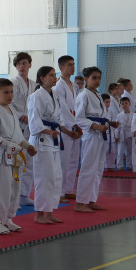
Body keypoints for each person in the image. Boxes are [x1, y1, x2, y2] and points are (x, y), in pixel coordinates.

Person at [0, 78, 37, 235]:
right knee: (1, 189)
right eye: (5, 92)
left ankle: (8, 219)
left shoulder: (13, 110)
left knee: (14, 189)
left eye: (11, 92)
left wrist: (27, 146)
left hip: (16, 156)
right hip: (2, 155)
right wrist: (11, 146)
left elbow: (18, 135)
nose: (9, 95)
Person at [27, 66, 63, 224]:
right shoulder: (36, 96)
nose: (55, 78)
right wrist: (48, 131)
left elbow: (59, 118)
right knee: (43, 177)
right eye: (51, 75)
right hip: (42, 140)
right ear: (42, 78)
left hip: (53, 138)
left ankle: (49, 211)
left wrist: (67, 130)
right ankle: (39, 214)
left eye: (55, 75)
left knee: (55, 177)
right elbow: (34, 120)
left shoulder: (55, 95)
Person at [74, 66, 110, 213]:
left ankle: (91, 200)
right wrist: (95, 126)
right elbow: (79, 118)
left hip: (101, 133)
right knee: (88, 168)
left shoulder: (97, 95)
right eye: (94, 78)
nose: (97, 80)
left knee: (98, 168)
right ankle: (80, 202)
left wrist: (109, 123)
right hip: (91, 134)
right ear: (86, 79)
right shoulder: (83, 95)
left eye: (99, 78)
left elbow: (102, 114)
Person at [52, 55, 82, 200]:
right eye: (69, 65)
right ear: (61, 67)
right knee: (63, 161)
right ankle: (58, 192)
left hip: (76, 124)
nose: (72, 67)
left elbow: (78, 106)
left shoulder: (74, 85)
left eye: (73, 64)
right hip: (65, 126)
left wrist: (79, 123)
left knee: (73, 160)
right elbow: (63, 108)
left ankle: (68, 189)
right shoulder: (58, 86)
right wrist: (73, 125)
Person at [10, 52, 36, 206]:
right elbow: (8, 103)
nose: (21, 66)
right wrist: (21, 115)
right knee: (17, 161)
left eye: (24, 63)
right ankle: (13, 197)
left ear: (30, 65)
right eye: (19, 64)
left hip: (31, 126)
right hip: (17, 125)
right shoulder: (12, 82)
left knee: (30, 162)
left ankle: (24, 195)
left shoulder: (34, 84)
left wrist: (32, 117)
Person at [115, 97, 134, 171]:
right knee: (120, 151)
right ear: (120, 105)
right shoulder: (119, 115)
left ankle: (129, 164)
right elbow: (117, 127)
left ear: (130, 104)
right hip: (121, 134)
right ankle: (119, 165)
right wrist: (116, 136)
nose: (124, 105)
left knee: (130, 150)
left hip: (131, 133)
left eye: (126, 103)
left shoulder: (134, 114)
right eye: (122, 104)